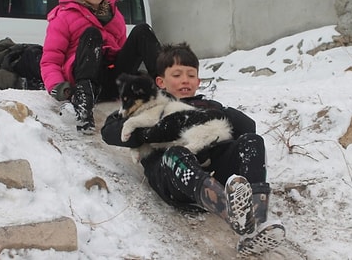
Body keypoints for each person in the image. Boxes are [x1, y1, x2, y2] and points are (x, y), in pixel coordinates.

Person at [101, 42, 286, 257]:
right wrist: (147, 134)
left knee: (252, 141)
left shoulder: (209, 105)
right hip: (174, 176)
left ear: (198, 81)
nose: (185, 80)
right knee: (176, 154)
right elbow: (110, 130)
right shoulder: (147, 104)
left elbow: (247, 127)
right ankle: (230, 210)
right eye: (177, 75)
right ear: (160, 82)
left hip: (214, 166)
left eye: (190, 75)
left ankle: (256, 221)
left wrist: (221, 114)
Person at [40, 0, 161, 134]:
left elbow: (121, 50)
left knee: (143, 30)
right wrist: (58, 86)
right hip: (86, 82)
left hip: (113, 79)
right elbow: (50, 60)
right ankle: (83, 108)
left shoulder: (114, 15)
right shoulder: (64, 16)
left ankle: (167, 89)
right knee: (91, 34)